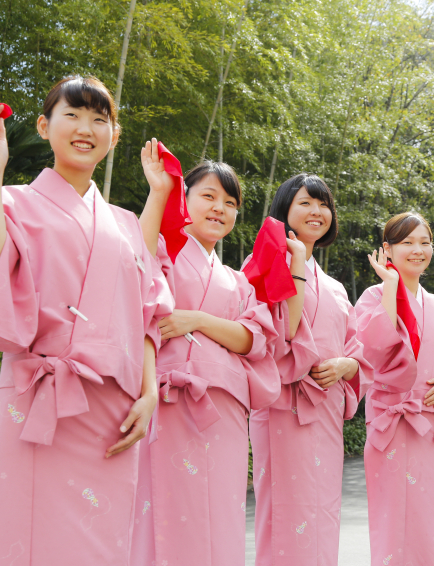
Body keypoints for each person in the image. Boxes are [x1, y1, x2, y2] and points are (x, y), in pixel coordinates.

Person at [0, 75, 172, 565]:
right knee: (20, 543)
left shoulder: (127, 224)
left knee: (101, 548)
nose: (85, 127)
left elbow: (149, 314)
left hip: (113, 414)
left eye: (99, 118)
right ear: (45, 127)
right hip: (36, 405)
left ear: (114, 135)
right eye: (72, 114)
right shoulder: (10, 200)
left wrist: (150, 393)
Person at [132, 146, 281, 566]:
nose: (220, 208)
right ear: (186, 200)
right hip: (169, 403)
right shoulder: (165, 254)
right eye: (209, 196)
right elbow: (137, 269)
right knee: (164, 510)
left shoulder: (239, 281)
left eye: (230, 203)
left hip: (225, 414)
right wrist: (158, 192)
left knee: (222, 512)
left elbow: (255, 340)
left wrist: (194, 319)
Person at [247, 173, 371, 566]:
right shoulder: (263, 258)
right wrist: (296, 261)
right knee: (286, 510)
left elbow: (356, 351)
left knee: (323, 509)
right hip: (284, 407)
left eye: (323, 205)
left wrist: (346, 364)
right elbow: (278, 333)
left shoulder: (334, 287)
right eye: (305, 202)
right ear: (285, 208)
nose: (317, 212)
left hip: (327, 413)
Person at [356, 212, 434, 566]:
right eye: (407, 242)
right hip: (391, 426)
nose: (417, 250)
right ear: (387, 250)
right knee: (393, 522)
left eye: (424, 242)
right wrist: (390, 289)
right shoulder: (372, 297)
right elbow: (376, 350)